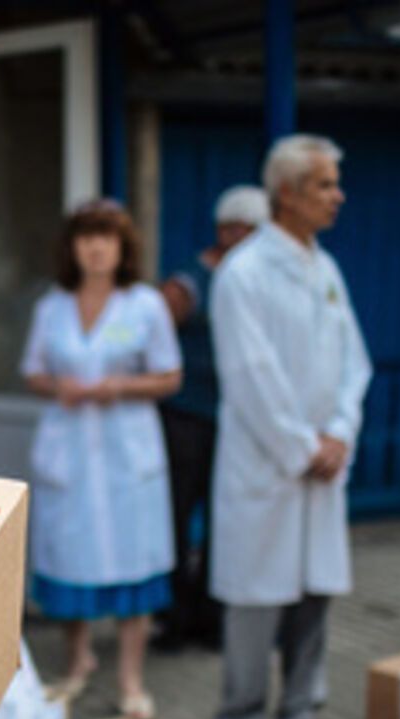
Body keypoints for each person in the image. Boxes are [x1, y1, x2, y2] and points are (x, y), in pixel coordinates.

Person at [210, 135, 372, 719]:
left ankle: (301, 711)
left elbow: (354, 362)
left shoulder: (323, 267)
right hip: (270, 463)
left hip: (320, 462)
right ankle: (240, 711)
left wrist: (340, 433)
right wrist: (304, 446)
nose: (338, 195)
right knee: (257, 594)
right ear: (288, 193)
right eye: (325, 185)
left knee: (313, 592)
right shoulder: (244, 273)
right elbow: (251, 374)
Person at [20, 200, 182, 719]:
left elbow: (169, 377)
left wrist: (120, 386)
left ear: (122, 248)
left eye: (106, 238)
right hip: (69, 452)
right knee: (70, 561)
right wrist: (57, 386)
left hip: (125, 453)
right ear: (71, 247)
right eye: (86, 237)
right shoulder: (52, 306)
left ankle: (130, 679)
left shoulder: (145, 305)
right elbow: (32, 372)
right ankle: (76, 664)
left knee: (134, 560)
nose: (95, 247)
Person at [153, 185, 269, 653]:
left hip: (234, 420)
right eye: (252, 232)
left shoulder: (255, 279)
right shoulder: (191, 281)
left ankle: (213, 617)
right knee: (178, 517)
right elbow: (154, 330)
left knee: (227, 520)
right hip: (187, 419)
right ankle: (175, 618)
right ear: (228, 230)